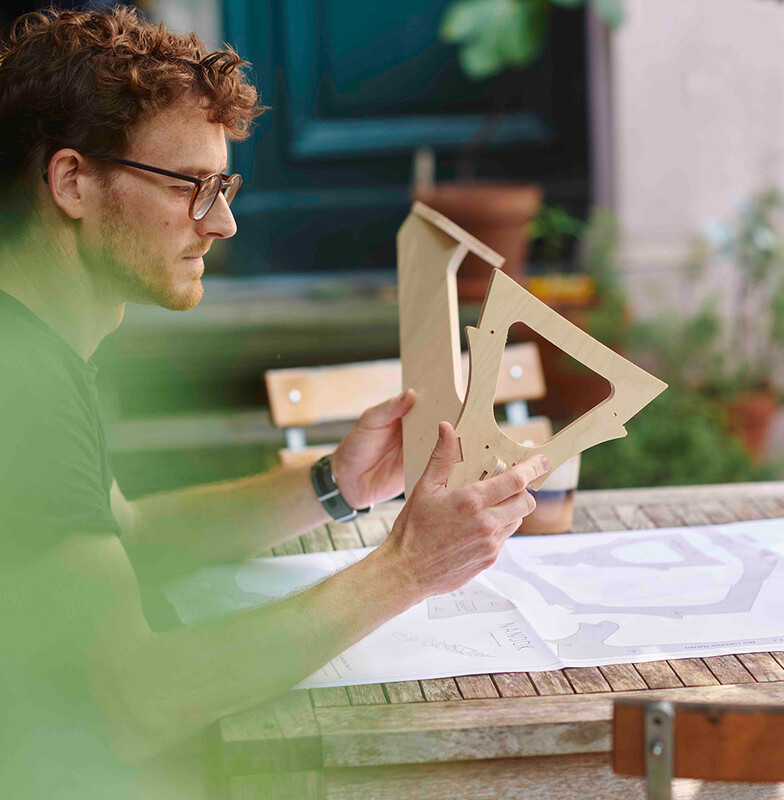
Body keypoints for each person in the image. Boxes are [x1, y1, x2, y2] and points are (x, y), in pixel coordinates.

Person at [0, 6, 549, 798]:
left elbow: (133, 536)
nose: (221, 222)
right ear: (72, 181)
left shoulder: (44, 347)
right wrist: (405, 570)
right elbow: (140, 699)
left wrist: (333, 486)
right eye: (190, 186)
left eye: (223, 186)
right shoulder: (23, 385)